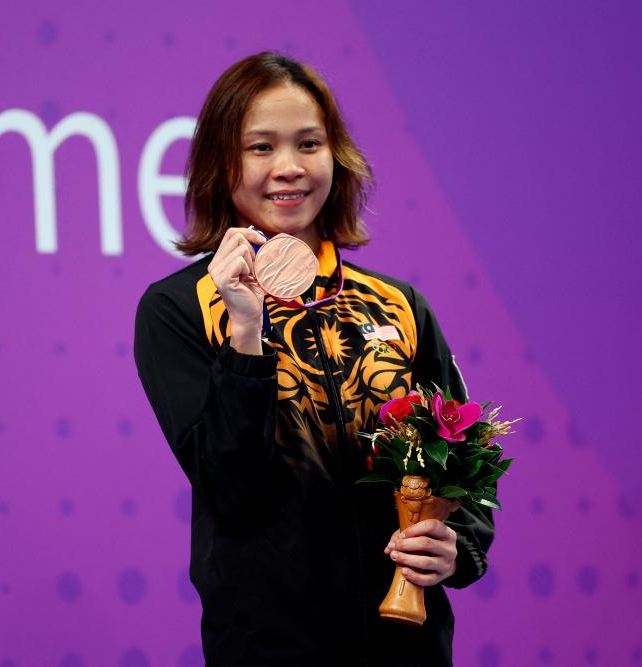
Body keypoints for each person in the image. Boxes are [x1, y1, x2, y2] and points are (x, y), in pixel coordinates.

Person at [133, 53, 493, 666]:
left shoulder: (399, 304)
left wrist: (458, 546)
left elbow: (466, 462)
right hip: (269, 649)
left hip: (409, 646)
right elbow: (233, 490)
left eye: (309, 143)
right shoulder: (179, 310)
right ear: (221, 164)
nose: (289, 168)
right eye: (260, 148)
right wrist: (246, 332)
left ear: (337, 156)